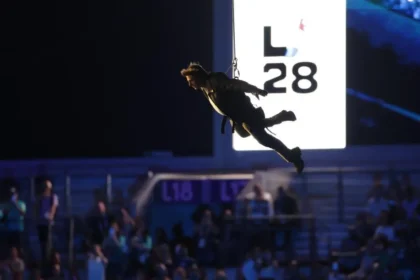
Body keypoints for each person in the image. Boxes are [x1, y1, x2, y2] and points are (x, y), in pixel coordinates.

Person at [180, 62, 304, 173]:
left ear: (198, 77)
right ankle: (283, 121)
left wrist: (256, 90)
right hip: (236, 119)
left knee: (262, 137)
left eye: (191, 80)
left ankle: (292, 152)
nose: (190, 84)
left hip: (245, 113)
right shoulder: (204, 89)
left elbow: (237, 84)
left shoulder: (216, 80)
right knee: (253, 134)